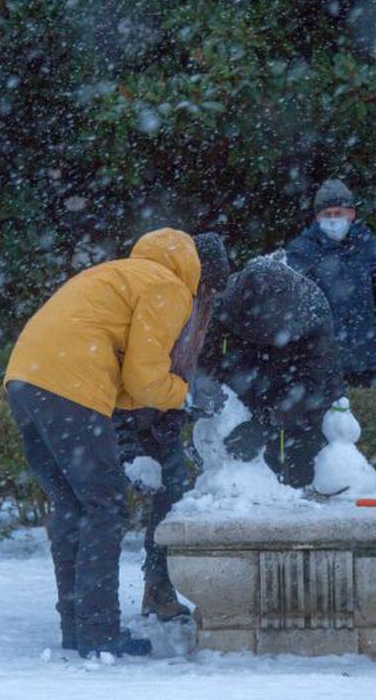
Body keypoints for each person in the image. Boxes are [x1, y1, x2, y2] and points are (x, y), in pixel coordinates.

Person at [4, 228, 226, 658]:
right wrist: (187, 395)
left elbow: (125, 382)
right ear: (195, 270)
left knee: (73, 505)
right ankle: (100, 632)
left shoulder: (122, 272)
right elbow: (145, 382)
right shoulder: (170, 288)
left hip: (24, 380)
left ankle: (76, 628)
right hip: (69, 386)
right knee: (104, 507)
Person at [113, 233, 228, 622]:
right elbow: (134, 365)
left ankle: (158, 586)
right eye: (208, 287)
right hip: (121, 409)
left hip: (161, 410)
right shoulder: (161, 292)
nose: (209, 297)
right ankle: (95, 604)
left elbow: (180, 368)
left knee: (172, 490)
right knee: (103, 505)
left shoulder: (199, 306)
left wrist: (177, 412)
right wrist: (128, 442)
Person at [200, 254, 346, 489]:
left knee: (305, 473)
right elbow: (209, 355)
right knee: (249, 479)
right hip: (250, 386)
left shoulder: (313, 310)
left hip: (301, 401)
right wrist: (207, 391)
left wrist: (266, 424)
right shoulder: (228, 301)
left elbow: (313, 383)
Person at [285, 178, 376, 387]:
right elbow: (292, 310)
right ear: (317, 217)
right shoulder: (301, 252)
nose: (333, 220)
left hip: (364, 362)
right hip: (321, 366)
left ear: (351, 214)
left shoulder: (365, 247)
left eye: (338, 213)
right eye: (327, 215)